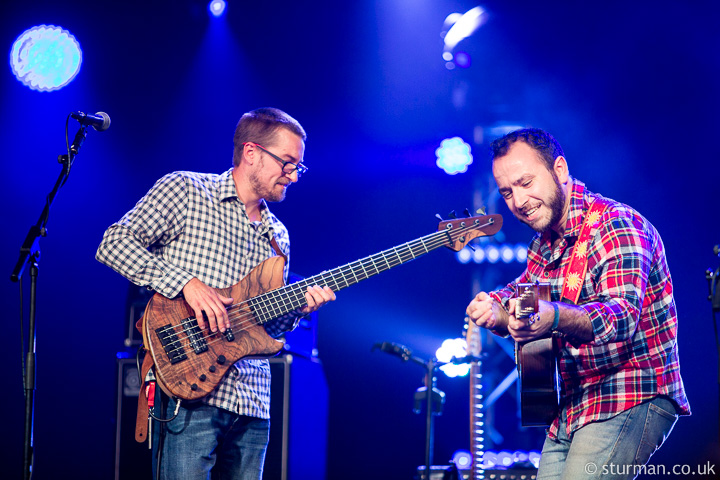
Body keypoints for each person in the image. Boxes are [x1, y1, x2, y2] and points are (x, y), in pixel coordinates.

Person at [96, 107, 336, 480]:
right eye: (287, 163)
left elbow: (269, 328)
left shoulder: (279, 235)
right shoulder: (186, 190)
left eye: (298, 167)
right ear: (251, 152)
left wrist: (298, 308)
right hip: (190, 390)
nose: (293, 175)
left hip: (254, 400)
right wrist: (186, 284)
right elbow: (113, 243)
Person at [465, 128, 689, 479]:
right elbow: (522, 293)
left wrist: (552, 315)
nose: (518, 201)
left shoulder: (617, 224)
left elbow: (620, 316)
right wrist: (494, 309)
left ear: (560, 170)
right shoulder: (544, 245)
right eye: (507, 192)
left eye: (526, 182)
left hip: (628, 391)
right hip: (573, 405)